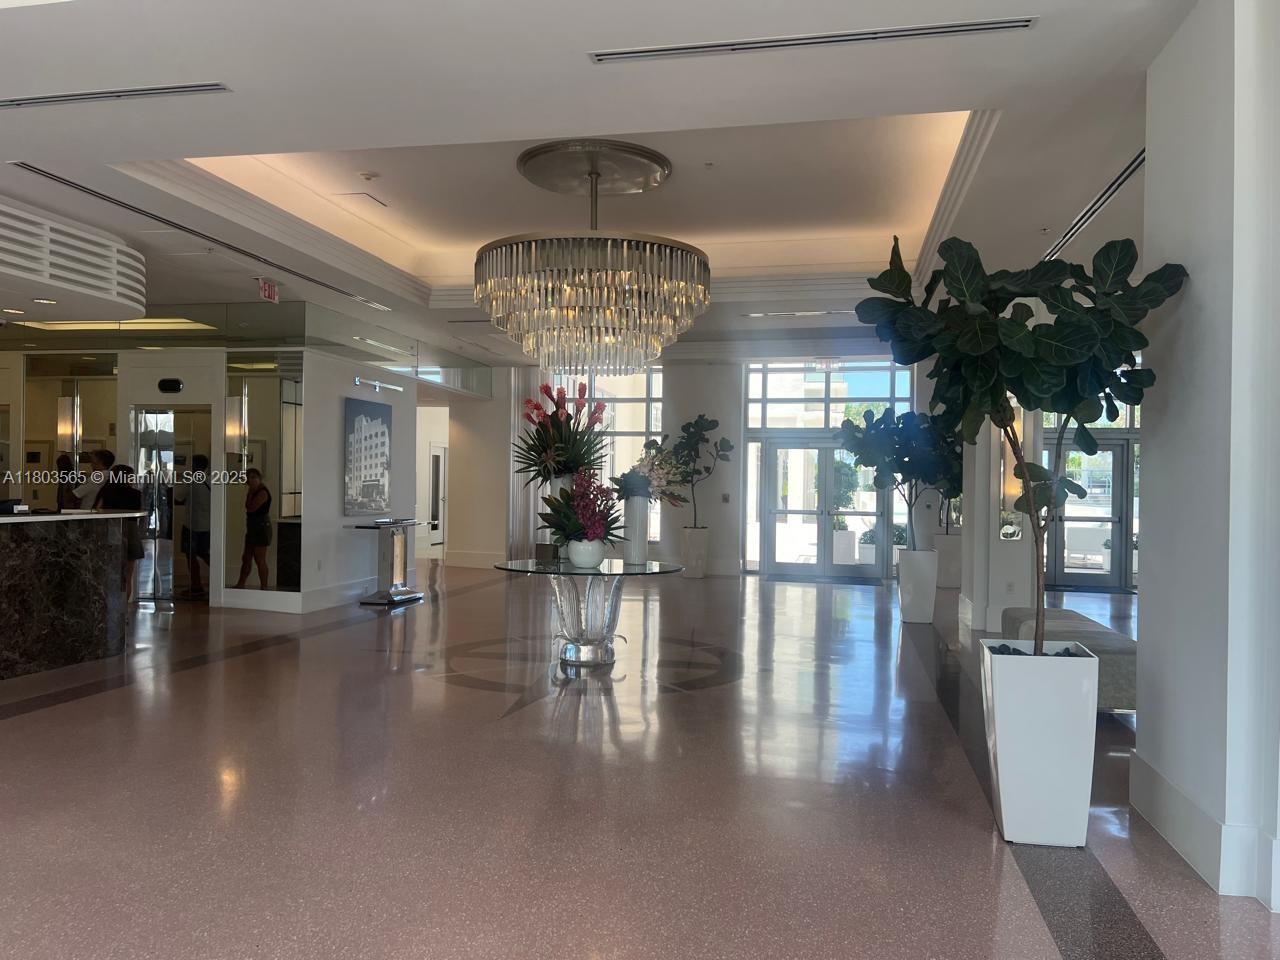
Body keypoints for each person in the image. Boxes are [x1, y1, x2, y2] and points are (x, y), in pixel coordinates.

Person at [94, 464, 144, 607]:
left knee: (108, 574)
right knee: (127, 576)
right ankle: (123, 610)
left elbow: (97, 510)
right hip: (131, 531)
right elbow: (140, 514)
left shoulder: (106, 491)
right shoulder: (135, 493)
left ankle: (108, 608)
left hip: (110, 530)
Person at [175, 454, 211, 598]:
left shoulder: (190, 481)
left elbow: (178, 496)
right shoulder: (211, 480)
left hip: (191, 525)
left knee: (191, 555)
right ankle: (219, 578)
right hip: (208, 524)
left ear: (194, 466)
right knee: (205, 553)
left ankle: (196, 586)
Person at [233, 467, 272, 590]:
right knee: (246, 557)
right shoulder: (252, 491)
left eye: (253, 477)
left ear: (259, 478)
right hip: (252, 527)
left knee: (260, 559)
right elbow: (247, 506)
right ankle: (241, 584)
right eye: (248, 478)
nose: (250, 480)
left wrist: (250, 494)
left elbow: (251, 508)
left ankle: (264, 587)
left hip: (261, 528)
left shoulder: (262, 492)